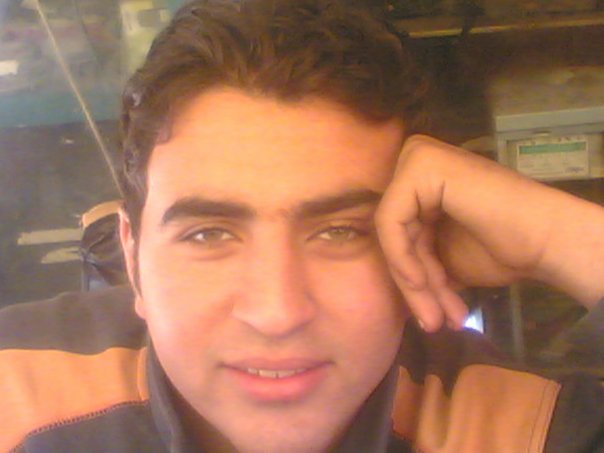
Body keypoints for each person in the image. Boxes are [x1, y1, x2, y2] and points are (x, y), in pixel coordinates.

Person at [1, 0, 603, 451]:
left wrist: (559, 239)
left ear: (418, 243)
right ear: (132, 261)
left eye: (341, 231)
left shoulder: (519, 428)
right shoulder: (17, 395)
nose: (277, 313)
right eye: (208, 234)